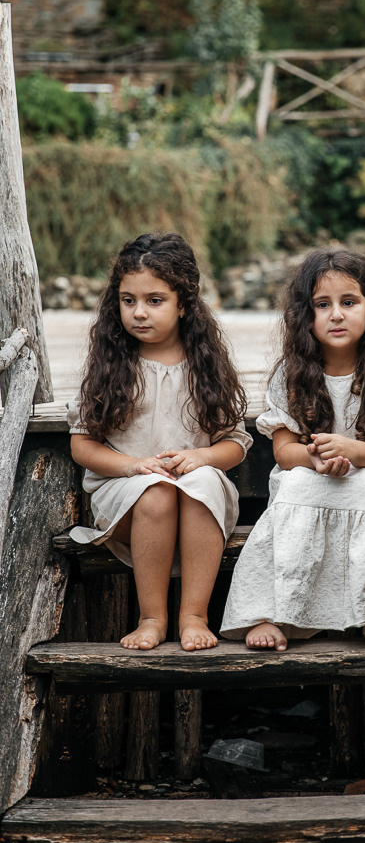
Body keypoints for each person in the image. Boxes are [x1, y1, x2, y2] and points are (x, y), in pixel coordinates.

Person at [221, 247, 365, 651]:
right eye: (322, 304)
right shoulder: (291, 375)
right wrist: (315, 458)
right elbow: (284, 452)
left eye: (349, 302)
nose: (336, 315)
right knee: (294, 489)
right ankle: (274, 613)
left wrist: (348, 450)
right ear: (304, 315)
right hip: (312, 473)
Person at [68, 232, 251, 652]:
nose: (139, 312)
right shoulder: (111, 366)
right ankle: (151, 617)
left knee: (200, 484)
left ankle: (194, 616)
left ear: (183, 304)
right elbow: (83, 446)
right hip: (127, 498)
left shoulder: (206, 368)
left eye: (154, 300)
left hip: (198, 500)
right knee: (157, 492)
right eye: (128, 300)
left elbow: (235, 444)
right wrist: (133, 465)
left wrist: (203, 456)